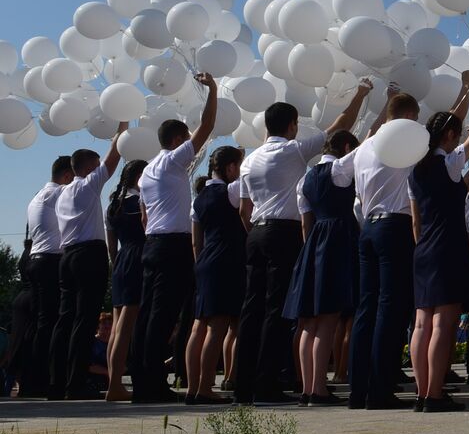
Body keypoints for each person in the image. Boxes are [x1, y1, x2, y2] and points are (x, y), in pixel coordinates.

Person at [238, 96, 364, 405]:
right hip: (283, 232)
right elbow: (340, 127)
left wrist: (256, 231)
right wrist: (360, 94)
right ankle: (267, 382)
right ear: (293, 124)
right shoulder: (292, 150)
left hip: (255, 232)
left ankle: (243, 385)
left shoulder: (248, 160)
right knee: (276, 311)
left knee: (250, 310)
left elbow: (243, 209)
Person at [408, 69, 469, 412]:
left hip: (423, 248)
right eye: (454, 134)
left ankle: (423, 393)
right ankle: (435, 394)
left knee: (422, 322)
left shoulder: (414, 169)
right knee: (443, 322)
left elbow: (416, 221)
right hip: (447, 246)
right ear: (449, 136)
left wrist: (465, 90)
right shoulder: (449, 164)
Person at [280, 81, 375, 406]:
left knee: (307, 322)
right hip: (336, 243)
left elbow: (306, 225)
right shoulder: (338, 170)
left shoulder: (304, 180)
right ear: (345, 148)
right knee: (328, 319)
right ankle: (318, 388)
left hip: (313, 247)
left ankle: (309, 387)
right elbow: (370, 145)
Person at [129, 73, 219, 403]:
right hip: (171, 245)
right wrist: (213, 90)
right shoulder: (172, 161)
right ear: (178, 139)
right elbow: (207, 127)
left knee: (148, 314)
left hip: (152, 243)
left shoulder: (147, 172)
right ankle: (153, 383)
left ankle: (141, 379)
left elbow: (143, 217)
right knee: (163, 316)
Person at [333, 84, 420, 410]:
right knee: (391, 308)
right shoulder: (406, 141)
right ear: (410, 116)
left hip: (367, 226)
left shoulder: (366, 145)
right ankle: (380, 388)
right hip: (394, 227)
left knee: (366, 309)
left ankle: (359, 389)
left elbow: (338, 174)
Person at [50, 124, 127, 400]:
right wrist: (123, 127)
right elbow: (114, 156)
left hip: (67, 256)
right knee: (85, 321)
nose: (98, 170)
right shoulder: (87, 185)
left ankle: (57, 383)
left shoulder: (61, 195)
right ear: (87, 167)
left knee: (65, 321)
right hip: (88, 256)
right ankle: (76, 384)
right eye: (95, 166)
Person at [186, 146, 246, 404]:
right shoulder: (231, 191)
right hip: (226, 261)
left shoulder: (198, 198)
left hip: (205, 261)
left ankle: (191, 387)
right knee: (218, 327)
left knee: (198, 326)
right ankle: (206, 387)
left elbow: (195, 242)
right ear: (230, 167)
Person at [18, 157, 72, 398]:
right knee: (55, 322)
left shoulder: (37, 196)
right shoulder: (61, 193)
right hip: (52, 260)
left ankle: (32, 378)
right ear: (67, 176)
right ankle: (49, 377)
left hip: (35, 259)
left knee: (41, 324)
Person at [104, 159, 148, 402]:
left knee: (117, 326)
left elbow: (111, 247)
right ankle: (115, 385)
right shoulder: (138, 203)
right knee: (126, 327)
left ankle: (113, 381)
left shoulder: (112, 206)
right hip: (138, 257)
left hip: (121, 260)